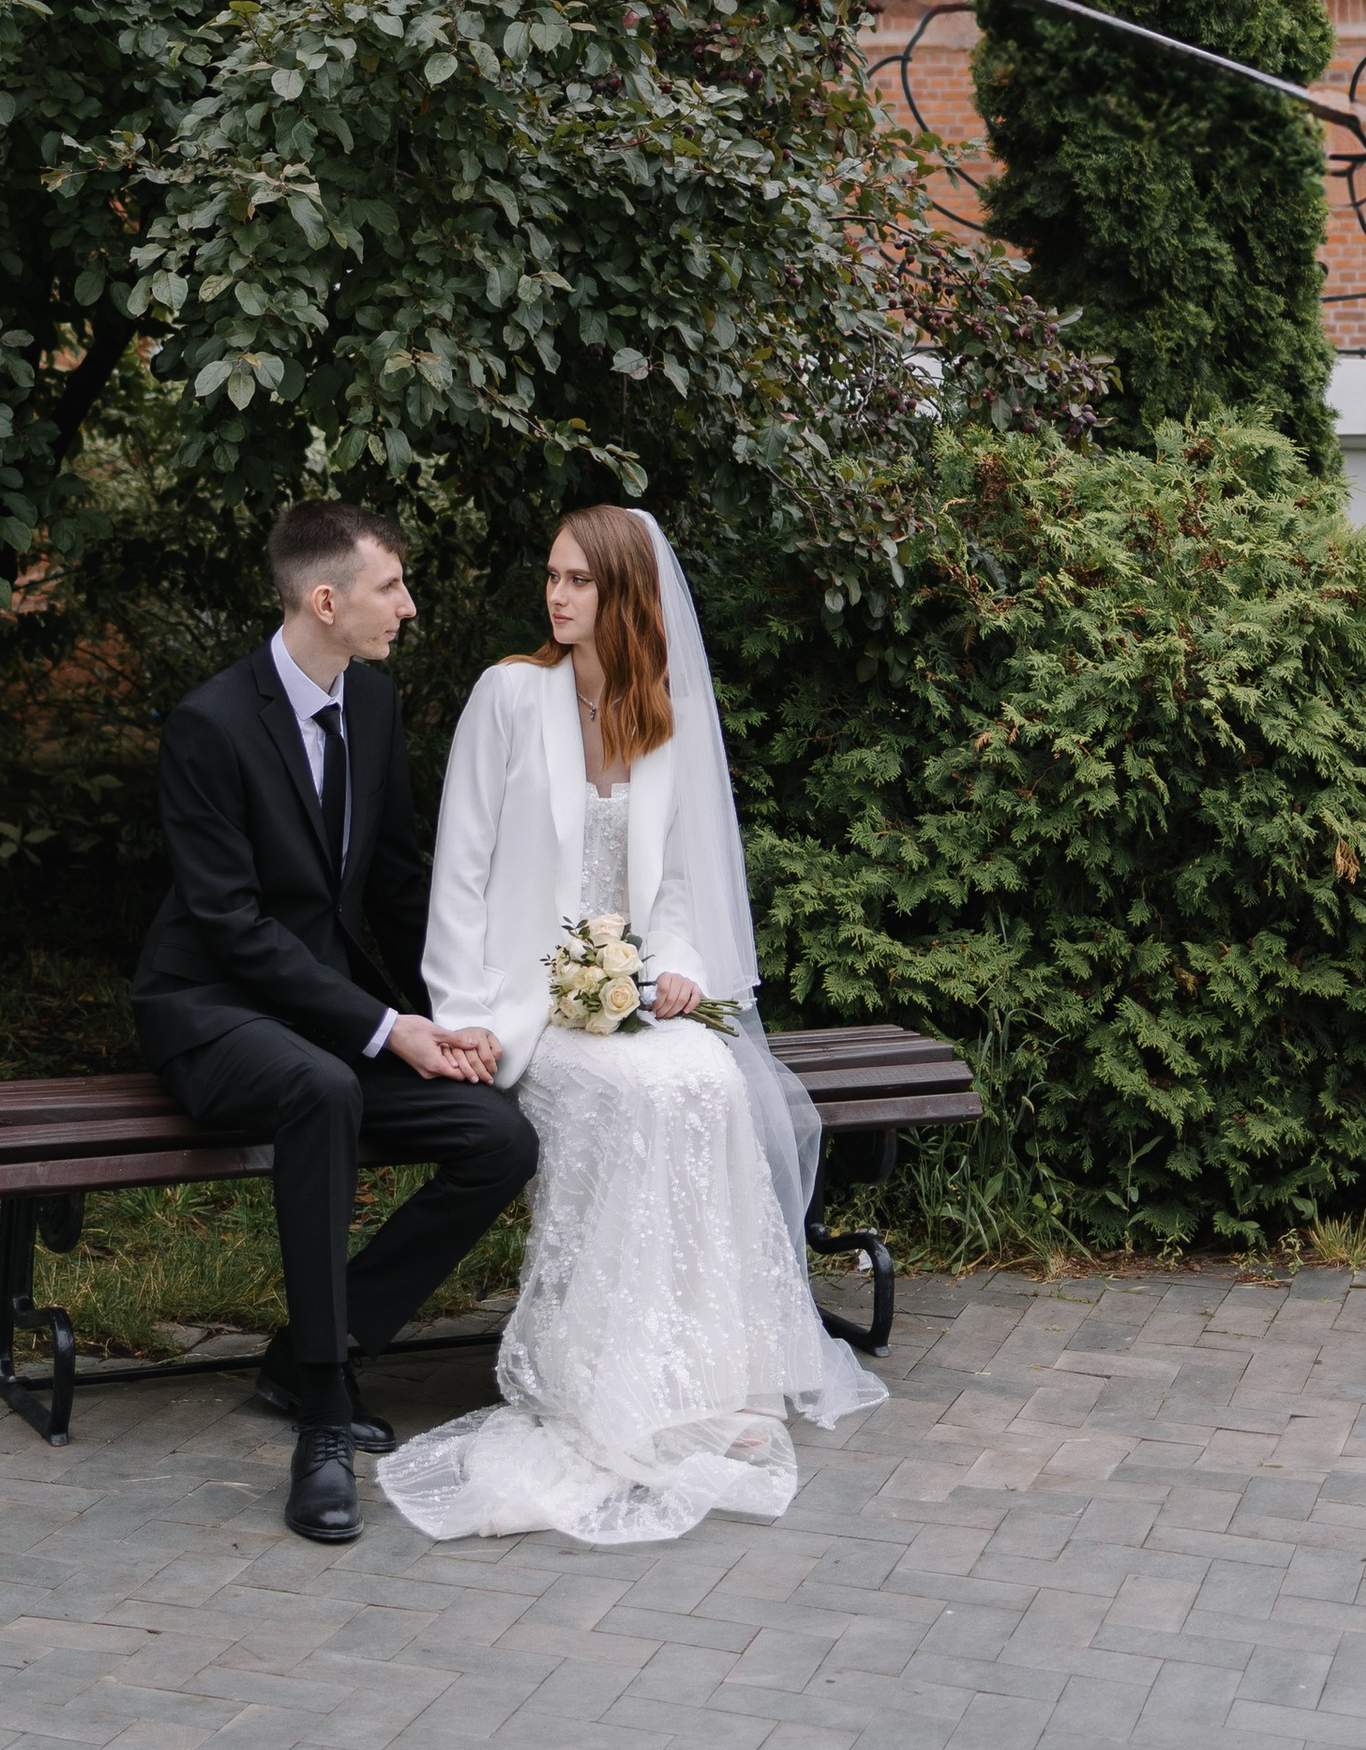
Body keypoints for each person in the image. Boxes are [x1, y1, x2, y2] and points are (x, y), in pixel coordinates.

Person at [374, 502, 883, 1547]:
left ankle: (708, 1373)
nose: (555, 596)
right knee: (642, 1091)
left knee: (705, 1078)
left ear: (626, 596)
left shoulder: (666, 717)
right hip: (528, 1009)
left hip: (631, 999)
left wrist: (683, 973)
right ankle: (597, 1370)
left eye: (578, 581)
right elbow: (459, 876)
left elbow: (688, 885)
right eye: (551, 577)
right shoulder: (510, 698)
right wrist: (467, 1020)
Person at [131, 499, 538, 1546]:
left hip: (331, 1020)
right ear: (326, 599)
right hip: (212, 1010)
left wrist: (451, 1019)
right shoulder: (211, 723)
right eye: (390, 587)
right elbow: (230, 925)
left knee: (497, 1137)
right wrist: (382, 1027)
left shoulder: (378, 704)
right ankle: (322, 1406)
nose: (408, 605)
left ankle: (309, 1344)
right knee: (324, 1087)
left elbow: (398, 889)